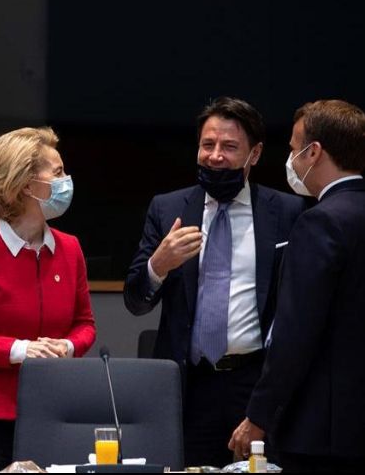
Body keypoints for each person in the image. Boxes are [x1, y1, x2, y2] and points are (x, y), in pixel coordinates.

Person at [124, 97, 305, 468]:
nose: (215, 156)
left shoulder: (287, 212)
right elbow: (135, 301)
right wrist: (159, 264)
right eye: (208, 145)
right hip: (189, 387)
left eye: (229, 147)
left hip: (254, 384)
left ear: (254, 154)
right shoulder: (168, 208)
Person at [0, 127, 96, 472]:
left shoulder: (70, 248)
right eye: (57, 172)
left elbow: (85, 324)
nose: (66, 180)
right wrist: (19, 351)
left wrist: (68, 347)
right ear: (26, 184)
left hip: (56, 412)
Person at [229, 100, 365, 472]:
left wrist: (259, 414)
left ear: (314, 151)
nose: (290, 159)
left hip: (322, 430)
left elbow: (295, 332)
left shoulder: (319, 223)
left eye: (293, 149)